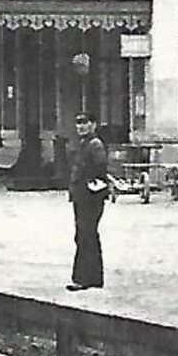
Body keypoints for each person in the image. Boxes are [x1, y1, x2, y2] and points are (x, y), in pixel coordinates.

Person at [67, 111, 110, 291]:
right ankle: (93, 278)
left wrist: (88, 180)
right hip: (82, 195)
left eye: (85, 122)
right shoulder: (84, 144)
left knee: (86, 234)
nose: (81, 126)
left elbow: (99, 168)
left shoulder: (94, 144)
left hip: (90, 196)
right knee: (85, 234)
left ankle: (84, 278)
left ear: (93, 124)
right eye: (78, 123)